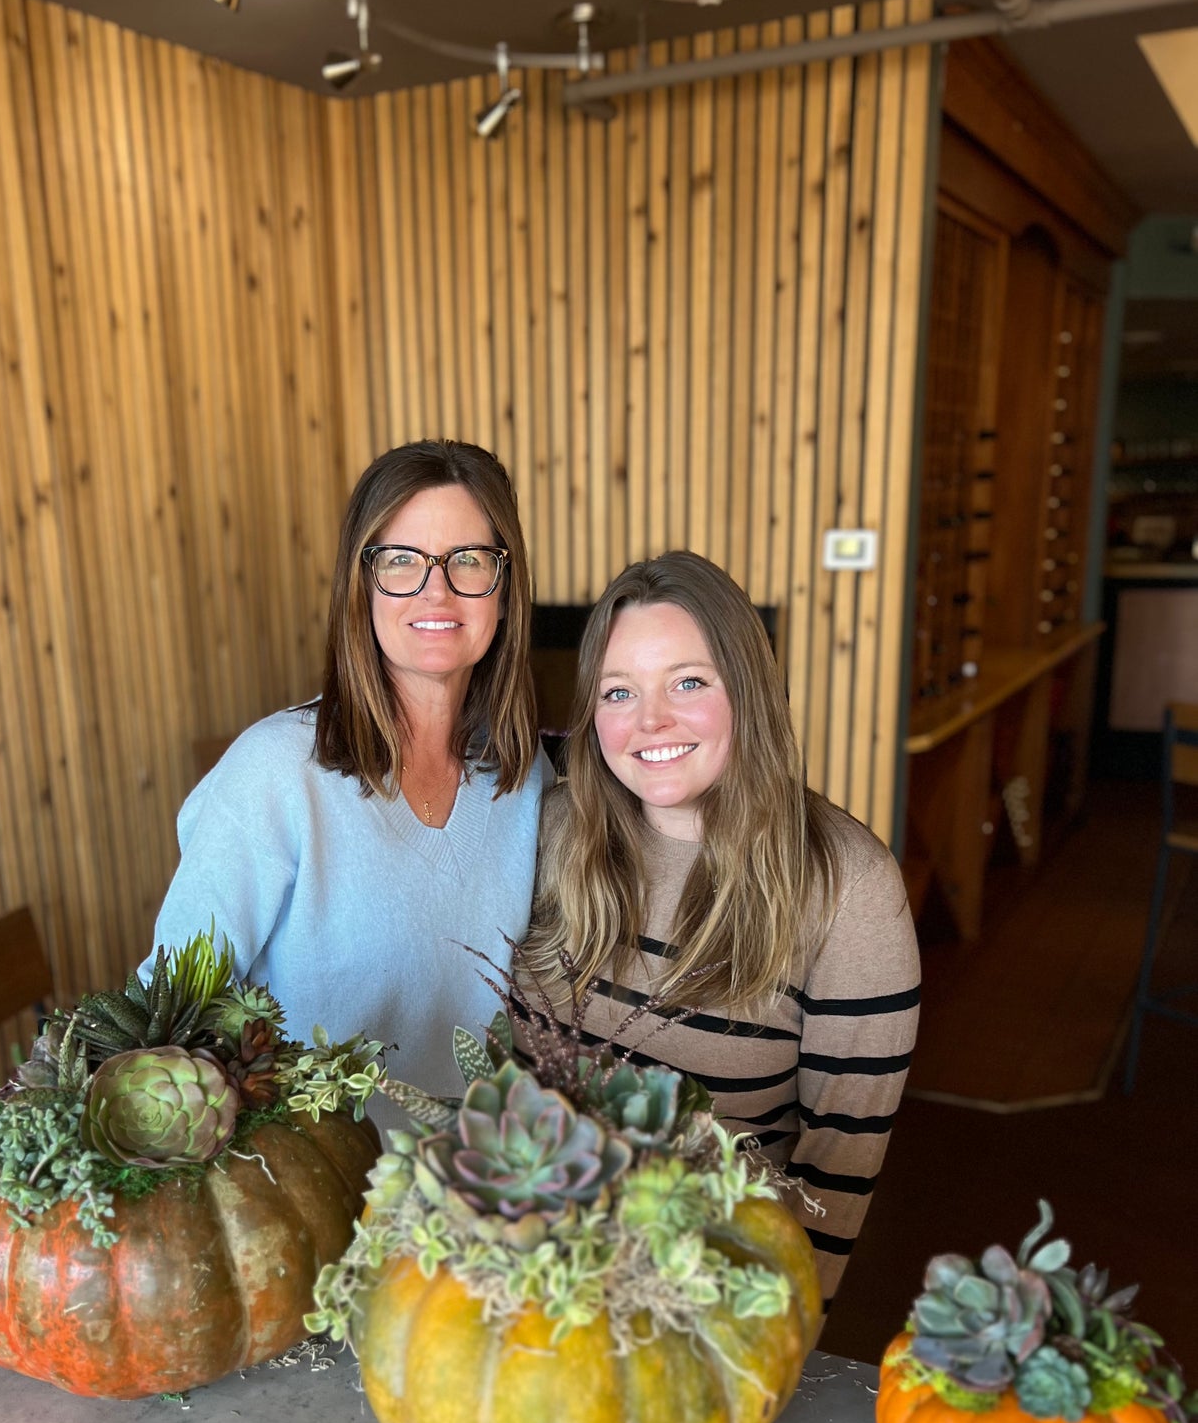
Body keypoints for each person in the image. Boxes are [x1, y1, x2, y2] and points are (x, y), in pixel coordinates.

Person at [521, 551, 919, 1303]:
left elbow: (837, 1165)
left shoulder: (847, 887)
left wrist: (783, 1333)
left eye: (689, 681)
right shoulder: (544, 831)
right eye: (618, 691)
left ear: (748, 689)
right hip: (525, 1274)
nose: (650, 721)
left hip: (707, 1297)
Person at [147, 439, 545, 1126]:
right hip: (309, 1195)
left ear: (504, 592)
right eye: (400, 560)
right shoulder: (273, 774)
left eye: (468, 560)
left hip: (470, 1197)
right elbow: (164, 1022)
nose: (436, 589)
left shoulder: (524, 779)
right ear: (361, 586)